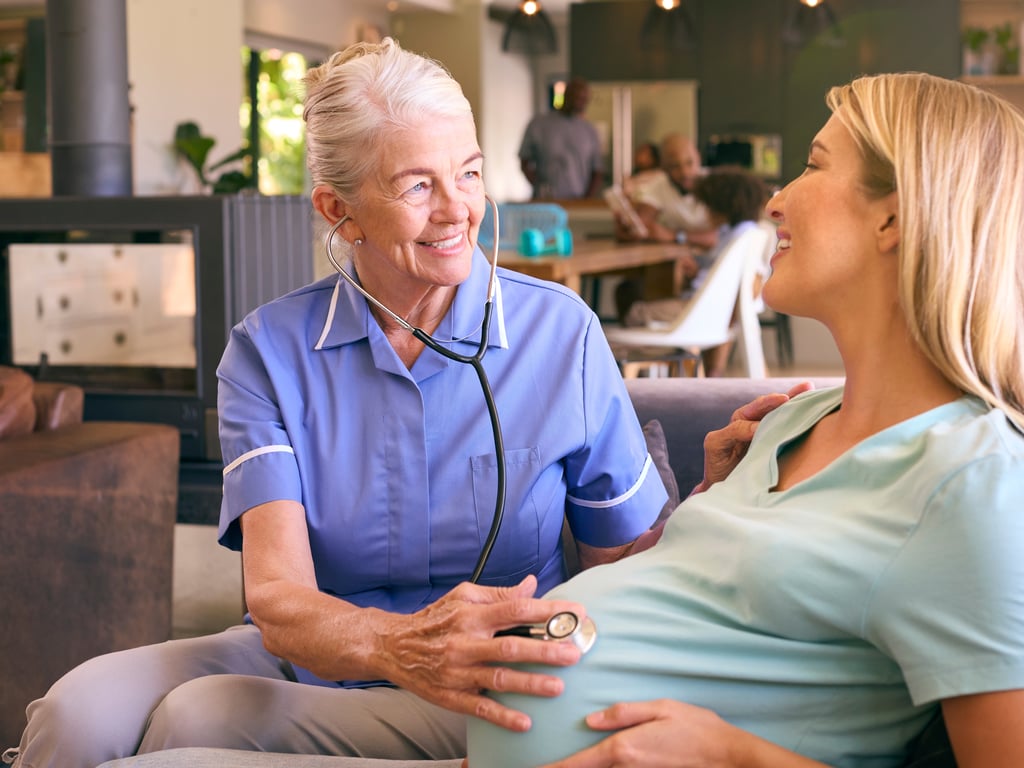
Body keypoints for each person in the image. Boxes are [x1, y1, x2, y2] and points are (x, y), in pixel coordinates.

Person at [3, 38, 671, 768]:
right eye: (418, 186)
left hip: (491, 674)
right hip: (314, 654)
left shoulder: (561, 333)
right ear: (339, 211)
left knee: (195, 718)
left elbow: (626, 570)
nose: (458, 210)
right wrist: (401, 645)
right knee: (73, 713)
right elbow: (281, 602)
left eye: (470, 174)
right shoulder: (269, 352)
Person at [466, 71, 1024, 767]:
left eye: (814, 165)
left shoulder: (974, 485)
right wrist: (706, 499)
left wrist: (735, 756)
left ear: (896, 218)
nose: (778, 200)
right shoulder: (792, 424)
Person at [613, 167, 769, 377]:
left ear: (721, 207)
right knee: (638, 293)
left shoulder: (738, 238)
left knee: (633, 306)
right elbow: (723, 277)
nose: (704, 212)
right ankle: (666, 365)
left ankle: (642, 364)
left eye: (707, 206)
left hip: (703, 312)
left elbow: (731, 284)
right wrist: (698, 272)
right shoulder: (746, 233)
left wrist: (698, 275)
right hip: (716, 313)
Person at [618, 132, 720, 250]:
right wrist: (627, 230)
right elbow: (642, 226)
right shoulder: (658, 186)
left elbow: (716, 237)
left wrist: (674, 235)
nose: (685, 172)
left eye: (690, 162)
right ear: (664, 168)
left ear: (699, 158)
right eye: (675, 166)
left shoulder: (717, 184)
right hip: (686, 258)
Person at [518, 77, 604, 200]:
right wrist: (539, 188)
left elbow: (597, 171)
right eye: (576, 96)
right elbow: (524, 161)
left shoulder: (589, 131)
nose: (579, 101)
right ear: (566, 95)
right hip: (545, 201)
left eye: (583, 99)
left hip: (578, 200)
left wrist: (586, 200)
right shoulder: (539, 124)